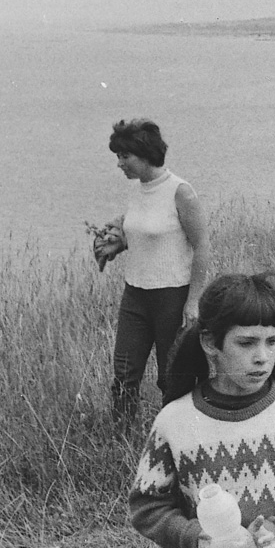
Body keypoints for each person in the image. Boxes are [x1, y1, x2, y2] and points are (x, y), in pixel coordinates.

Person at [129, 272, 275, 548]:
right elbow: (147, 507)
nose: (262, 357)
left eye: (271, 341)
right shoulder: (174, 421)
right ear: (209, 342)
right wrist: (193, 539)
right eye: (246, 343)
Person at [92, 118, 211, 424]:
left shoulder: (180, 191)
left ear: (144, 155)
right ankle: (121, 439)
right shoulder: (136, 191)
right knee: (125, 372)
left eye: (124, 156)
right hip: (135, 295)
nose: (119, 164)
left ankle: (174, 437)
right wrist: (115, 246)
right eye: (117, 157)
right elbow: (141, 234)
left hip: (171, 295)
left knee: (170, 375)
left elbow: (202, 247)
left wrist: (193, 301)